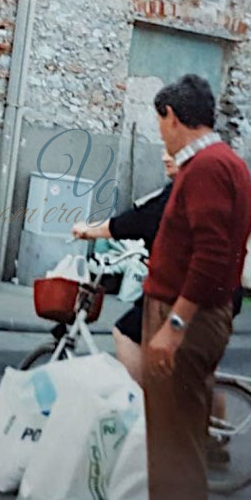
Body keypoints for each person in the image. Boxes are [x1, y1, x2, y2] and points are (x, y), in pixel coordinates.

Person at [141, 74, 251, 500]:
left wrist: (173, 324)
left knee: (172, 449)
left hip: (186, 319)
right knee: (180, 441)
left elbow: (210, 256)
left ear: (171, 116)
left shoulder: (208, 168)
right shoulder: (223, 164)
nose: (160, 134)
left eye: (159, 123)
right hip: (198, 317)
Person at [72, 150, 178, 383]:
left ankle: (137, 403)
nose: (164, 157)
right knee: (198, 377)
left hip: (178, 294)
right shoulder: (184, 187)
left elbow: (140, 221)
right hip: (201, 294)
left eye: (172, 152)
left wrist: (90, 231)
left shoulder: (180, 190)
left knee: (127, 333)